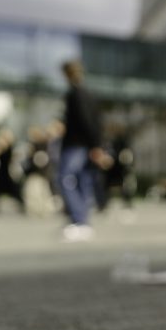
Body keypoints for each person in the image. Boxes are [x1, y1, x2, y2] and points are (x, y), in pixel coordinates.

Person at [59, 60, 103, 240]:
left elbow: (86, 120)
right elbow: (96, 122)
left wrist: (96, 146)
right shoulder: (88, 94)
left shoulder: (75, 94)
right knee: (83, 181)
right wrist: (96, 145)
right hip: (86, 145)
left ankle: (79, 220)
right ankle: (83, 222)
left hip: (76, 145)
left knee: (66, 179)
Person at [0, 129, 25, 214]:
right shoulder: (0, 147)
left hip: (6, 173)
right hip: (0, 173)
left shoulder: (9, 148)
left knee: (14, 191)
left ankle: (23, 204)